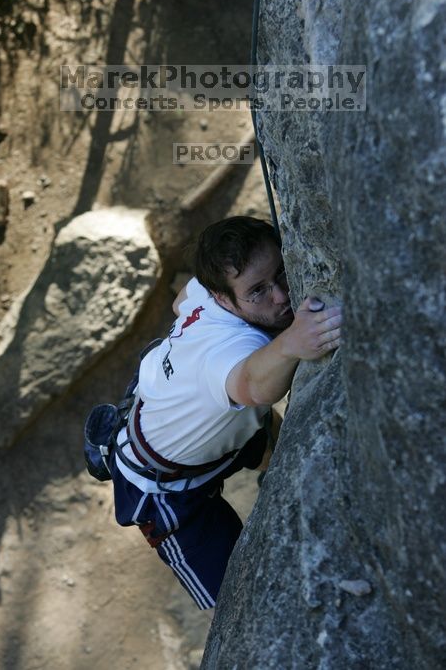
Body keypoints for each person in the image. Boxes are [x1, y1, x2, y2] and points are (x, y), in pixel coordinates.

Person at [108, 216, 342, 613]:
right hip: (162, 486)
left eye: (281, 273)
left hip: (184, 414)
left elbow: (181, 300)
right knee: (236, 598)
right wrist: (293, 342)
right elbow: (252, 385)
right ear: (224, 299)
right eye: (258, 291)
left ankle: (275, 471)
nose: (282, 296)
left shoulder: (210, 289)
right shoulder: (226, 353)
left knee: (261, 432)